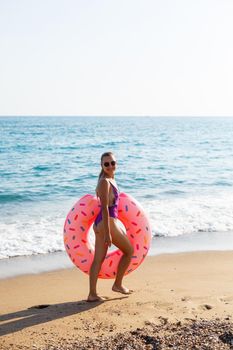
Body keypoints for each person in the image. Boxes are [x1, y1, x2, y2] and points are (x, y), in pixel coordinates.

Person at [87, 152, 134, 302]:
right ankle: (118, 284)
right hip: (107, 222)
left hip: (104, 223)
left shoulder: (111, 179)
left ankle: (92, 294)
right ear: (101, 165)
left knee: (98, 259)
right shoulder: (104, 182)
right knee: (129, 251)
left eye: (112, 163)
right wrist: (108, 234)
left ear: (116, 163)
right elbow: (105, 208)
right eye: (106, 164)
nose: (110, 166)